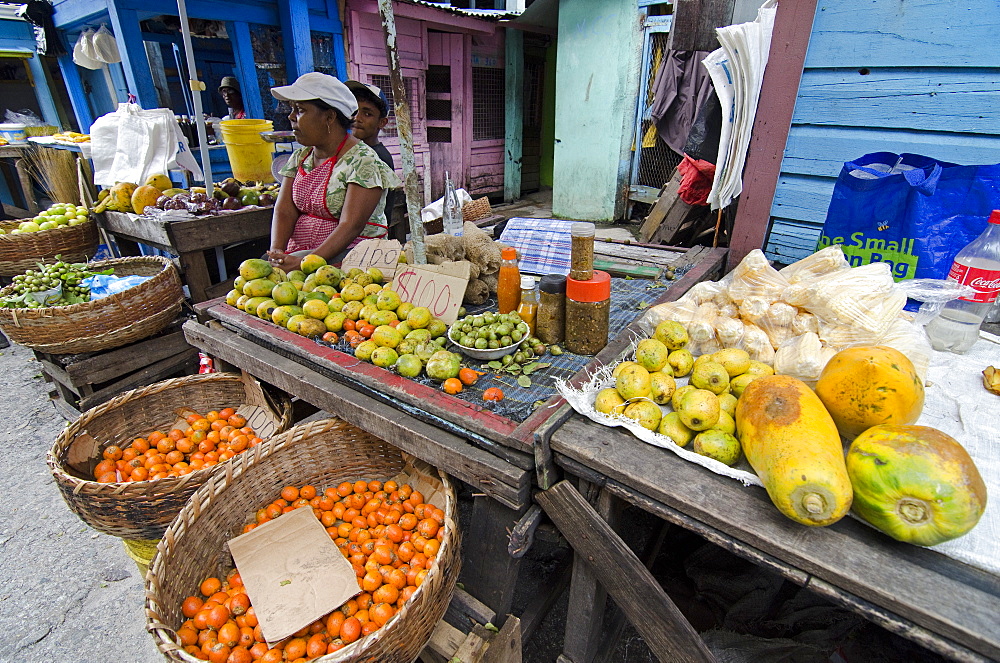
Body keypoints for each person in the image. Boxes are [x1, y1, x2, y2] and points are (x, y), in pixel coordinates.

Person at [266, 73, 401, 272]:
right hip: (304, 255)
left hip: (354, 259)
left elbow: (350, 226)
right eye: (292, 109)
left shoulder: (364, 161)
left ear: (329, 117)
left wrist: (308, 261)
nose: (291, 117)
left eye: (301, 110)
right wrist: (277, 251)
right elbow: (285, 210)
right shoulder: (300, 157)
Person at [345, 80, 403, 241]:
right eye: (355, 111)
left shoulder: (378, 158)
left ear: (382, 122)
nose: (358, 118)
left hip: (365, 240)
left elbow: (378, 213)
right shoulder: (348, 151)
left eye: (367, 114)